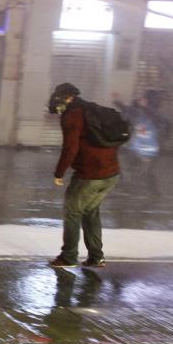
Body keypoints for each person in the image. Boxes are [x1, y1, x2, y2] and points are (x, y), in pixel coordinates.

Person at [48, 83, 120, 268]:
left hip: (90, 175)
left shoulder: (73, 115)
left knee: (72, 212)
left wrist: (59, 173)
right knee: (91, 212)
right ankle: (96, 257)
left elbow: (71, 148)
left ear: (68, 98)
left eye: (60, 99)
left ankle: (69, 256)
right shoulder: (93, 110)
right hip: (111, 173)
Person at [113, 89, 170, 196]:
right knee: (141, 171)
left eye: (143, 98)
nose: (140, 99)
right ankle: (153, 192)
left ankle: (131, 189)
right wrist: (117, 101)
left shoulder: (152, 115)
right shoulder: (144, 113)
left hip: (146, 151)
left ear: (148, 100)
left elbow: (132, 112)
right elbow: (128, 110)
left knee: (140, 171)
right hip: (140, 149)